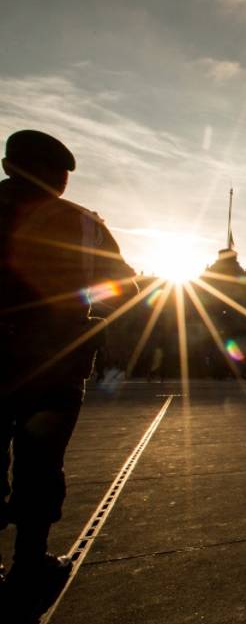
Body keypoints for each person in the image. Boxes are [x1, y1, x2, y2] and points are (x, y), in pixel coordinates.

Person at [1, 130, 137, 592]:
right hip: (53, 369)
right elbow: (126, 292)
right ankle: (29, 561)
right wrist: (80, 308)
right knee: (40, 465)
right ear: (57, 178)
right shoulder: (83, 225)